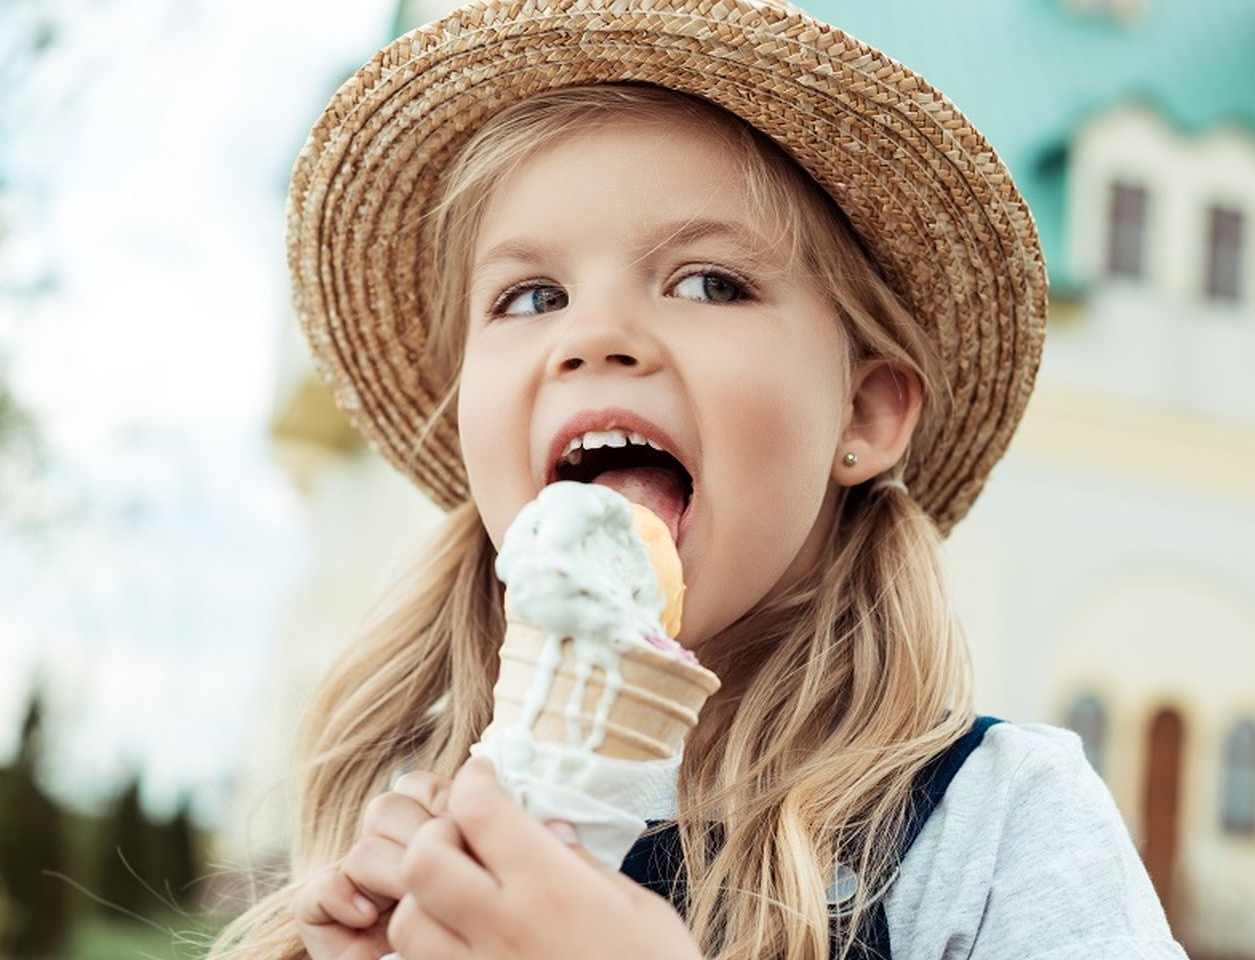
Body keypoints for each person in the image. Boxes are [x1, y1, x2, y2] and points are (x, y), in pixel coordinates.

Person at [210, 0, 1188, 957]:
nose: (591, 335)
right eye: (531, 295)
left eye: (707, 282)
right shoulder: (413, 819)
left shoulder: (997, 827)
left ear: (862, 413)